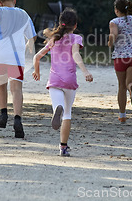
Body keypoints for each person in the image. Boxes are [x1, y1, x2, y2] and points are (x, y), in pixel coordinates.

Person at [32, 8, 93, 156]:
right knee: (67, 114)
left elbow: (37, 57)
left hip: (54, 80)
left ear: (60, 23)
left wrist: (37, 71)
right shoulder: (76, 39)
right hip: (69, 81)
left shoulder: (53, 39)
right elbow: (75, 54)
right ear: (75, 25)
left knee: (58, 107)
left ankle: (56, 109)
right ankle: (63, 147)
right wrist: (85, 71)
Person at [0, 0, 36, 138]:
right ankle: (17, 119)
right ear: (15, 0)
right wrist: (27, 47)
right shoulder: (23, 14)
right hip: (16, 56)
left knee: (1, 83)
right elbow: (32, 37)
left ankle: (3, 112)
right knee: (17, 88)